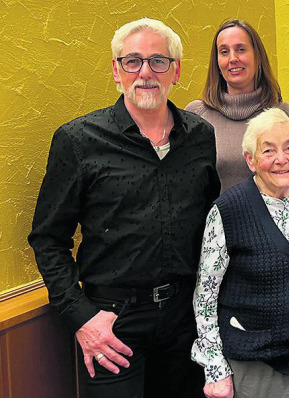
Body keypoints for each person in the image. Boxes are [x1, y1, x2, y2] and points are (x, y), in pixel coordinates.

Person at [27, 18, 220, 398]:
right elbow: (48, 239)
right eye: (132, 61)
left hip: (186, 319)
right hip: (112, 322)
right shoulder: (78, 140)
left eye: (158, 61)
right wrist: (82, 318)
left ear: (175, 71)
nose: (145, 72)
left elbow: (208, 222)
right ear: (116, 71)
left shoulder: (200, 136)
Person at [192, 108, 289, 398]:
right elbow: (205, 297)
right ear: (250, 160)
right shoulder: (227, 211)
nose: (281, 159)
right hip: (255, 362)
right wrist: (215, 367)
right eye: (268, 151)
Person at [186, 19, 289, 193]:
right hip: (214, 219)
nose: (233, 58)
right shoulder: (196, 115)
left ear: (257, 57)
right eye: (224, 52)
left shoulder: (284, 115)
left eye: (241, 49)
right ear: (217, 62)